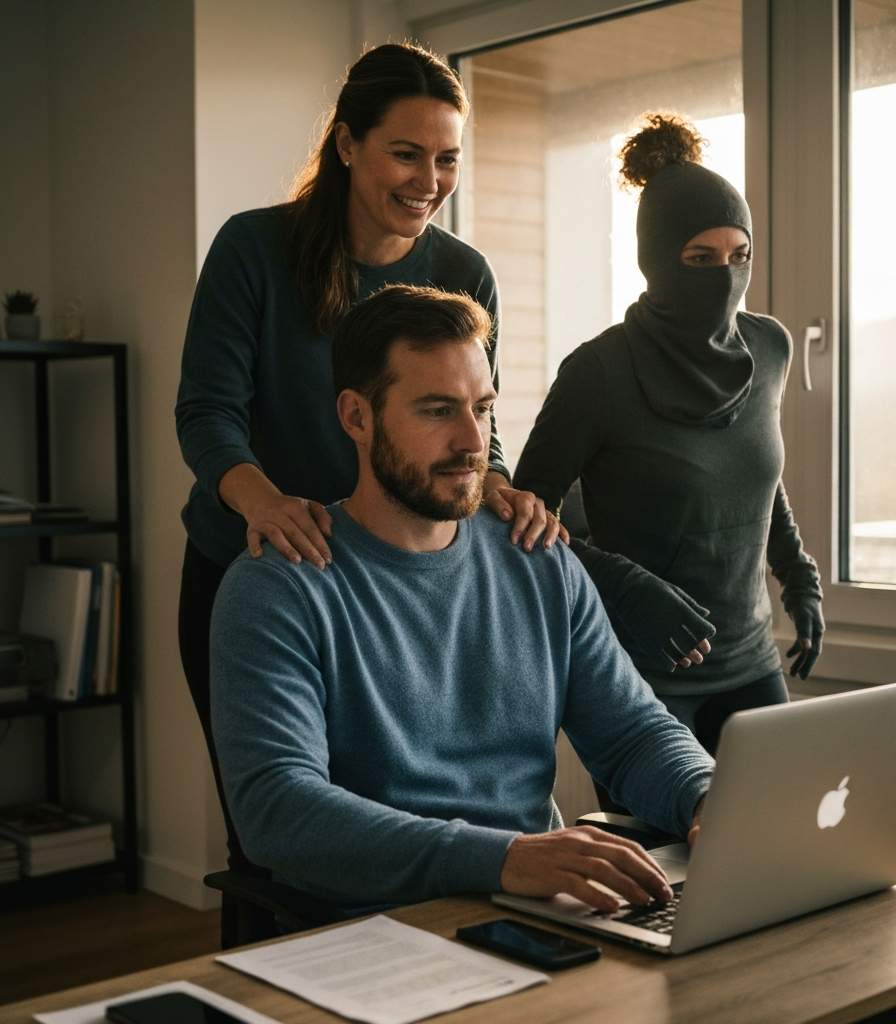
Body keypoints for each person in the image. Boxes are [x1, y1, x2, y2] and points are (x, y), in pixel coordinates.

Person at [176, 43, 563, 874]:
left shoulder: (465, 272)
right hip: (261, 565)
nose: (429, 179)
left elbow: (477, 424)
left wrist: (499, 487)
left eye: (448, 158)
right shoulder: (254, 250)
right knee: (282, 846)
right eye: (406, 153)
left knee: (392, 829)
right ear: (347, 145)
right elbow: (207, 414)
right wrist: (265, 504)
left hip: (387, 582)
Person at [209, 285, 715, 918]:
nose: (474, 441)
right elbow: (278, 810)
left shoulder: (540, 557)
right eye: (437, 411)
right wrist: (502, 858)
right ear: (356, 417)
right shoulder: (278, 588)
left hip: (537, 906)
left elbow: (634, 733)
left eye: (483, 407)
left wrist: (709, 799)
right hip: (379, 930)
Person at [513, 113, 824, 770]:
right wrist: (625, 589)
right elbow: (520, 522)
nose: (724, 277)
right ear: (656, 261)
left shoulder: (768, 347)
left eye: (739, 256)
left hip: (750, 662)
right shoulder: (599, 372)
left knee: (785, 852)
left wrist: (799, 577)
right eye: (699, 259)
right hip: (639, 675)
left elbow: (754, 471)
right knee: (672, 870)